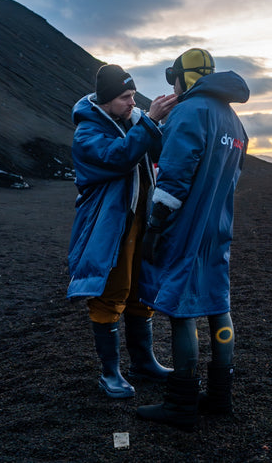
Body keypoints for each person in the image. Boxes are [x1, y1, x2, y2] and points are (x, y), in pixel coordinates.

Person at [135, 48, 249, 431]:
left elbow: (175, 177)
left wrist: (155, 224)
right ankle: (220, 396)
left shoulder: (188, 112)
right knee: (218, 303)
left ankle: (181, 404)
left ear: (183, 78)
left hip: (187, 227)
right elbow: (231, 179)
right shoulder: (234, 121)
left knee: (182, 310)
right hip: (218, 227)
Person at [67, 64, 177, 398]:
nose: (132, 102)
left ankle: (143, 362)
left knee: (141, 290)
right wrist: (149, 121)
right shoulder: (87, 133)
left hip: (139, 221)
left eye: (133, 95)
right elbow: (120, 157)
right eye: (125, 97)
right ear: (105, 100)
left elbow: (156, 151)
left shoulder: (130, 121)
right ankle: (110, 373)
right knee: (111, 293)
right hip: (110, 225)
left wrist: (166, 123)